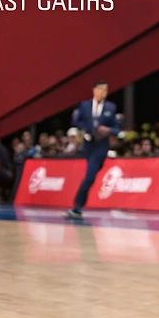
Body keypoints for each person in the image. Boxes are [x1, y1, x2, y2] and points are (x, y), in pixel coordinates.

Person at [66, 80, 120, 220]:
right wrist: (87, 128)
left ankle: (77, 207)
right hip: (88, 144)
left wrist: (108, 130)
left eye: (105, 90)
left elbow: (117, 128)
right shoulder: (85, 105)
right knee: (90, 177)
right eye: (101, 89)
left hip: (101, 146)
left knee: (90, 176)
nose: (103, 92)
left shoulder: (111, 107)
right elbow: (76, 121)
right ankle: (77, 207)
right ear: (94, 90)